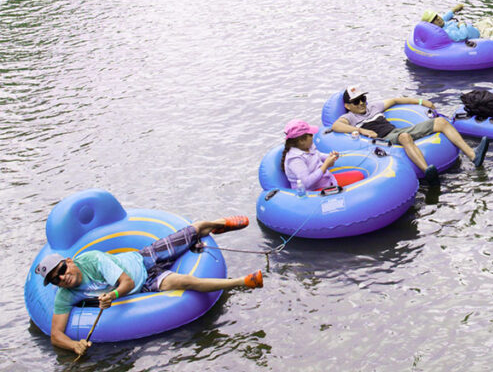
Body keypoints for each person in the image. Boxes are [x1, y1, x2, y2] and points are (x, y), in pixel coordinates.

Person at [35, 216, 261, 356]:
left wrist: (111, 295)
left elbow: (126, 282)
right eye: (55, 279)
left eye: (62, 271)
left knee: (191, 233)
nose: (61, 278)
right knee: (184, 281)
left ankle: (217, 223)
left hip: (142, 260)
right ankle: (241, 282)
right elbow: (56, 334)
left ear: (69, 262)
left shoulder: (93, 260)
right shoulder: (65, 294)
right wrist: (74, 346)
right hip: (146, 284)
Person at [327, 86, 488, 184]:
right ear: (348, 106)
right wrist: (362, 130)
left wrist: (421, 102)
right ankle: (428, 172)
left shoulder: (374, 107)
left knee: (442, 122)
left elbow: (396, 100)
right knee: (404, 137)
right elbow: (336, 125)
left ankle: (473, 156)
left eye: (363, 98)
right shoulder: (350, 117)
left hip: (396, 131)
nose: (361, 103)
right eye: (356, 101)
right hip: (383, 139)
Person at [281, 120, 340, 192]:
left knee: (357, 175)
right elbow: (307, 182)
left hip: (327, 181)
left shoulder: (308, 147)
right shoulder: (295, 159)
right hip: (314, 191)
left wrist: (330, 156)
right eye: (311, 135)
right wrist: (325, 165)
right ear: (301, 141)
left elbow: (318, 155)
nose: (313, 136)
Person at [421, 4, 493, 44]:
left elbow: (447, 15)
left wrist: (455, 9)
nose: (438, 19)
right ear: (432, 25)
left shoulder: (442, 22)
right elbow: (463, 36)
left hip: (476, 27)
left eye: (437, 16)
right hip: (481, 35)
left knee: (489, 19)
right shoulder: (445, 32)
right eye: (434, 19)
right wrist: (461, 24)